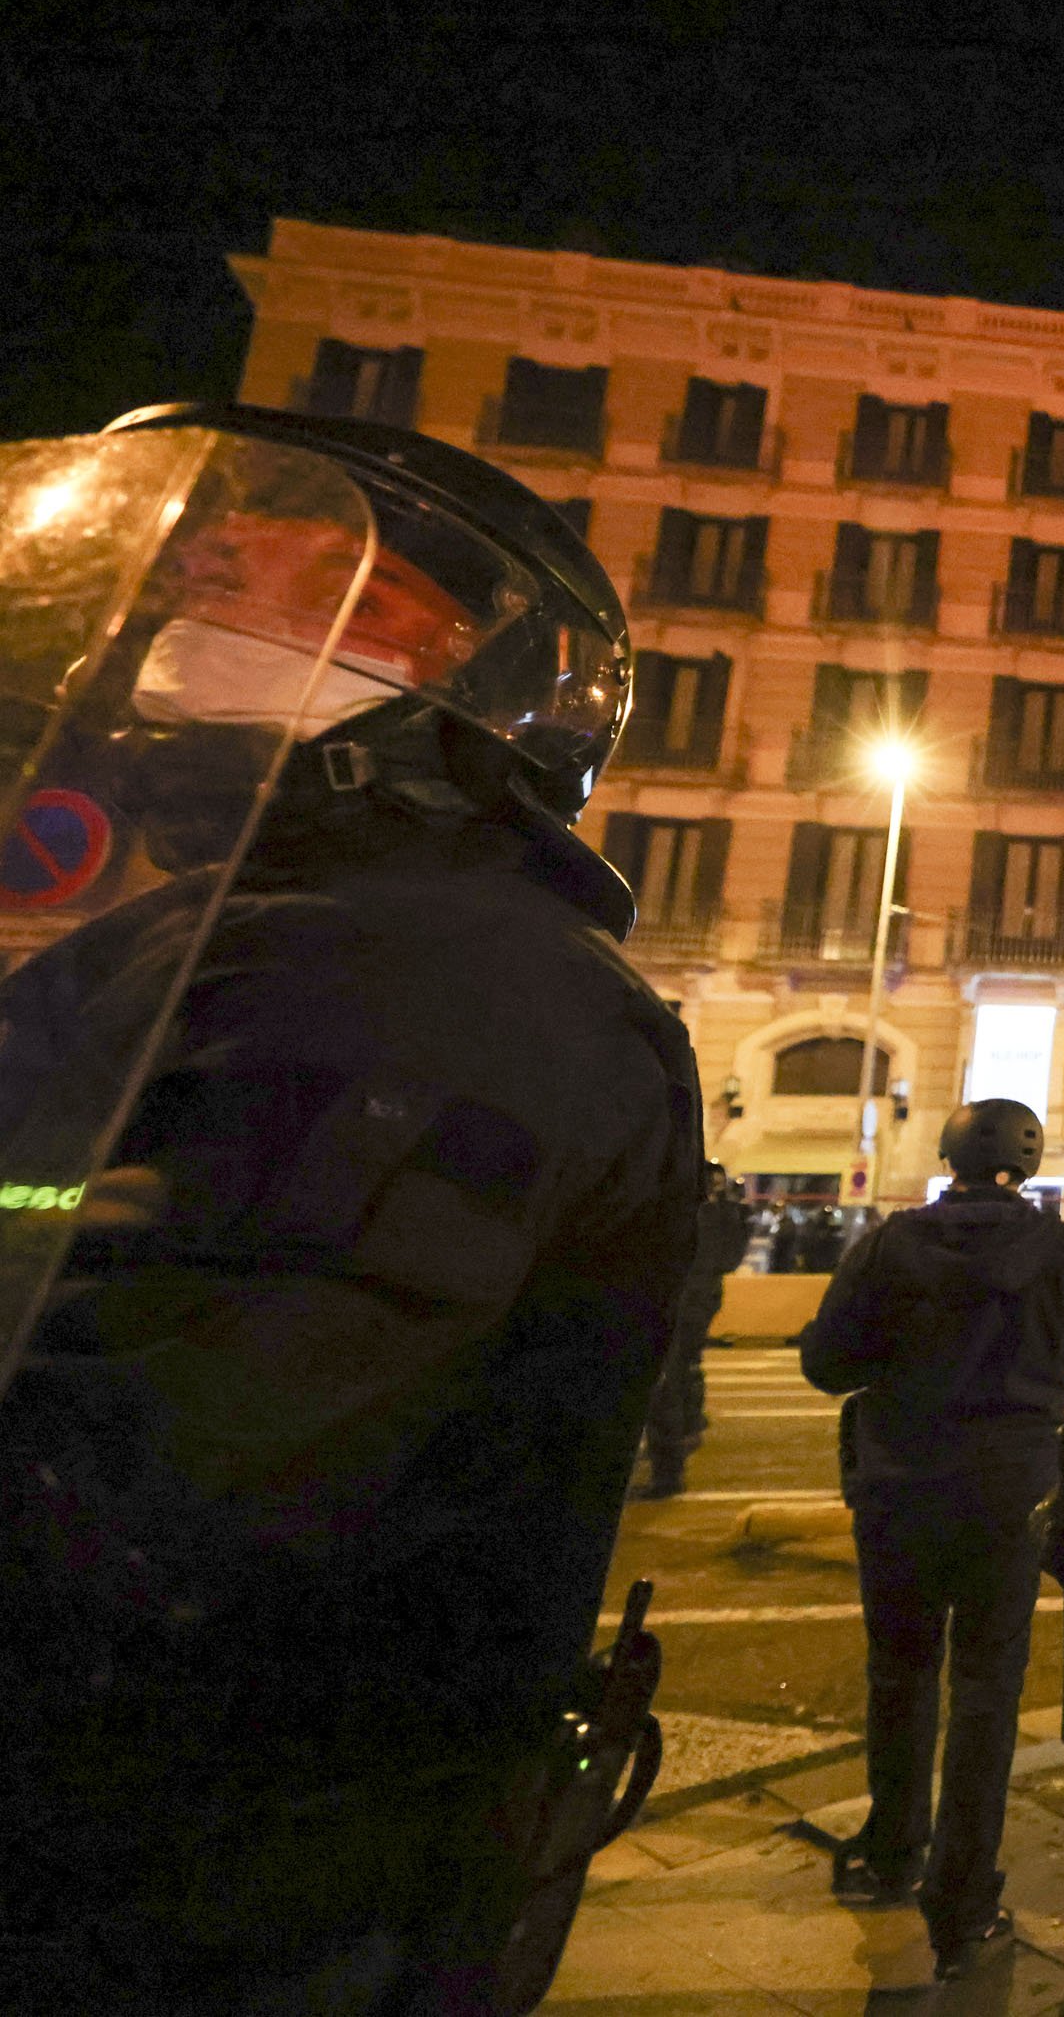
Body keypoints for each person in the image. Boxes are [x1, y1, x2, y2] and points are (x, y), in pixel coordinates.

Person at [0, 402, 701, 2009]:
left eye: (278, 572)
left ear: (446, 658)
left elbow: (163, 1452)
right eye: (198, 562)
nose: (198, 594)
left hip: (216, 1901)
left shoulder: (433, 970)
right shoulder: (225, 928)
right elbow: (46, 1212)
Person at [799, 1097, 1064, 1977]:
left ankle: (892, 1851)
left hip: (898, 1485)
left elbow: (827, 1364)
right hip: (1010, 1492)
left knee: (900, 1670)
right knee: (988, 1685)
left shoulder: (890, 1244)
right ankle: (962, 1896)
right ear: (1030, 1159)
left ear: (948, 1156)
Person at [641, 1165, 749, 1499]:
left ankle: (669, 1468)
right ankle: (685, 1432)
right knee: (684, 1368)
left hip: (684, 1300)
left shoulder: (699, 1216)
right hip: (697, 1298)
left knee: (666, 1381)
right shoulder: (723, 1215)